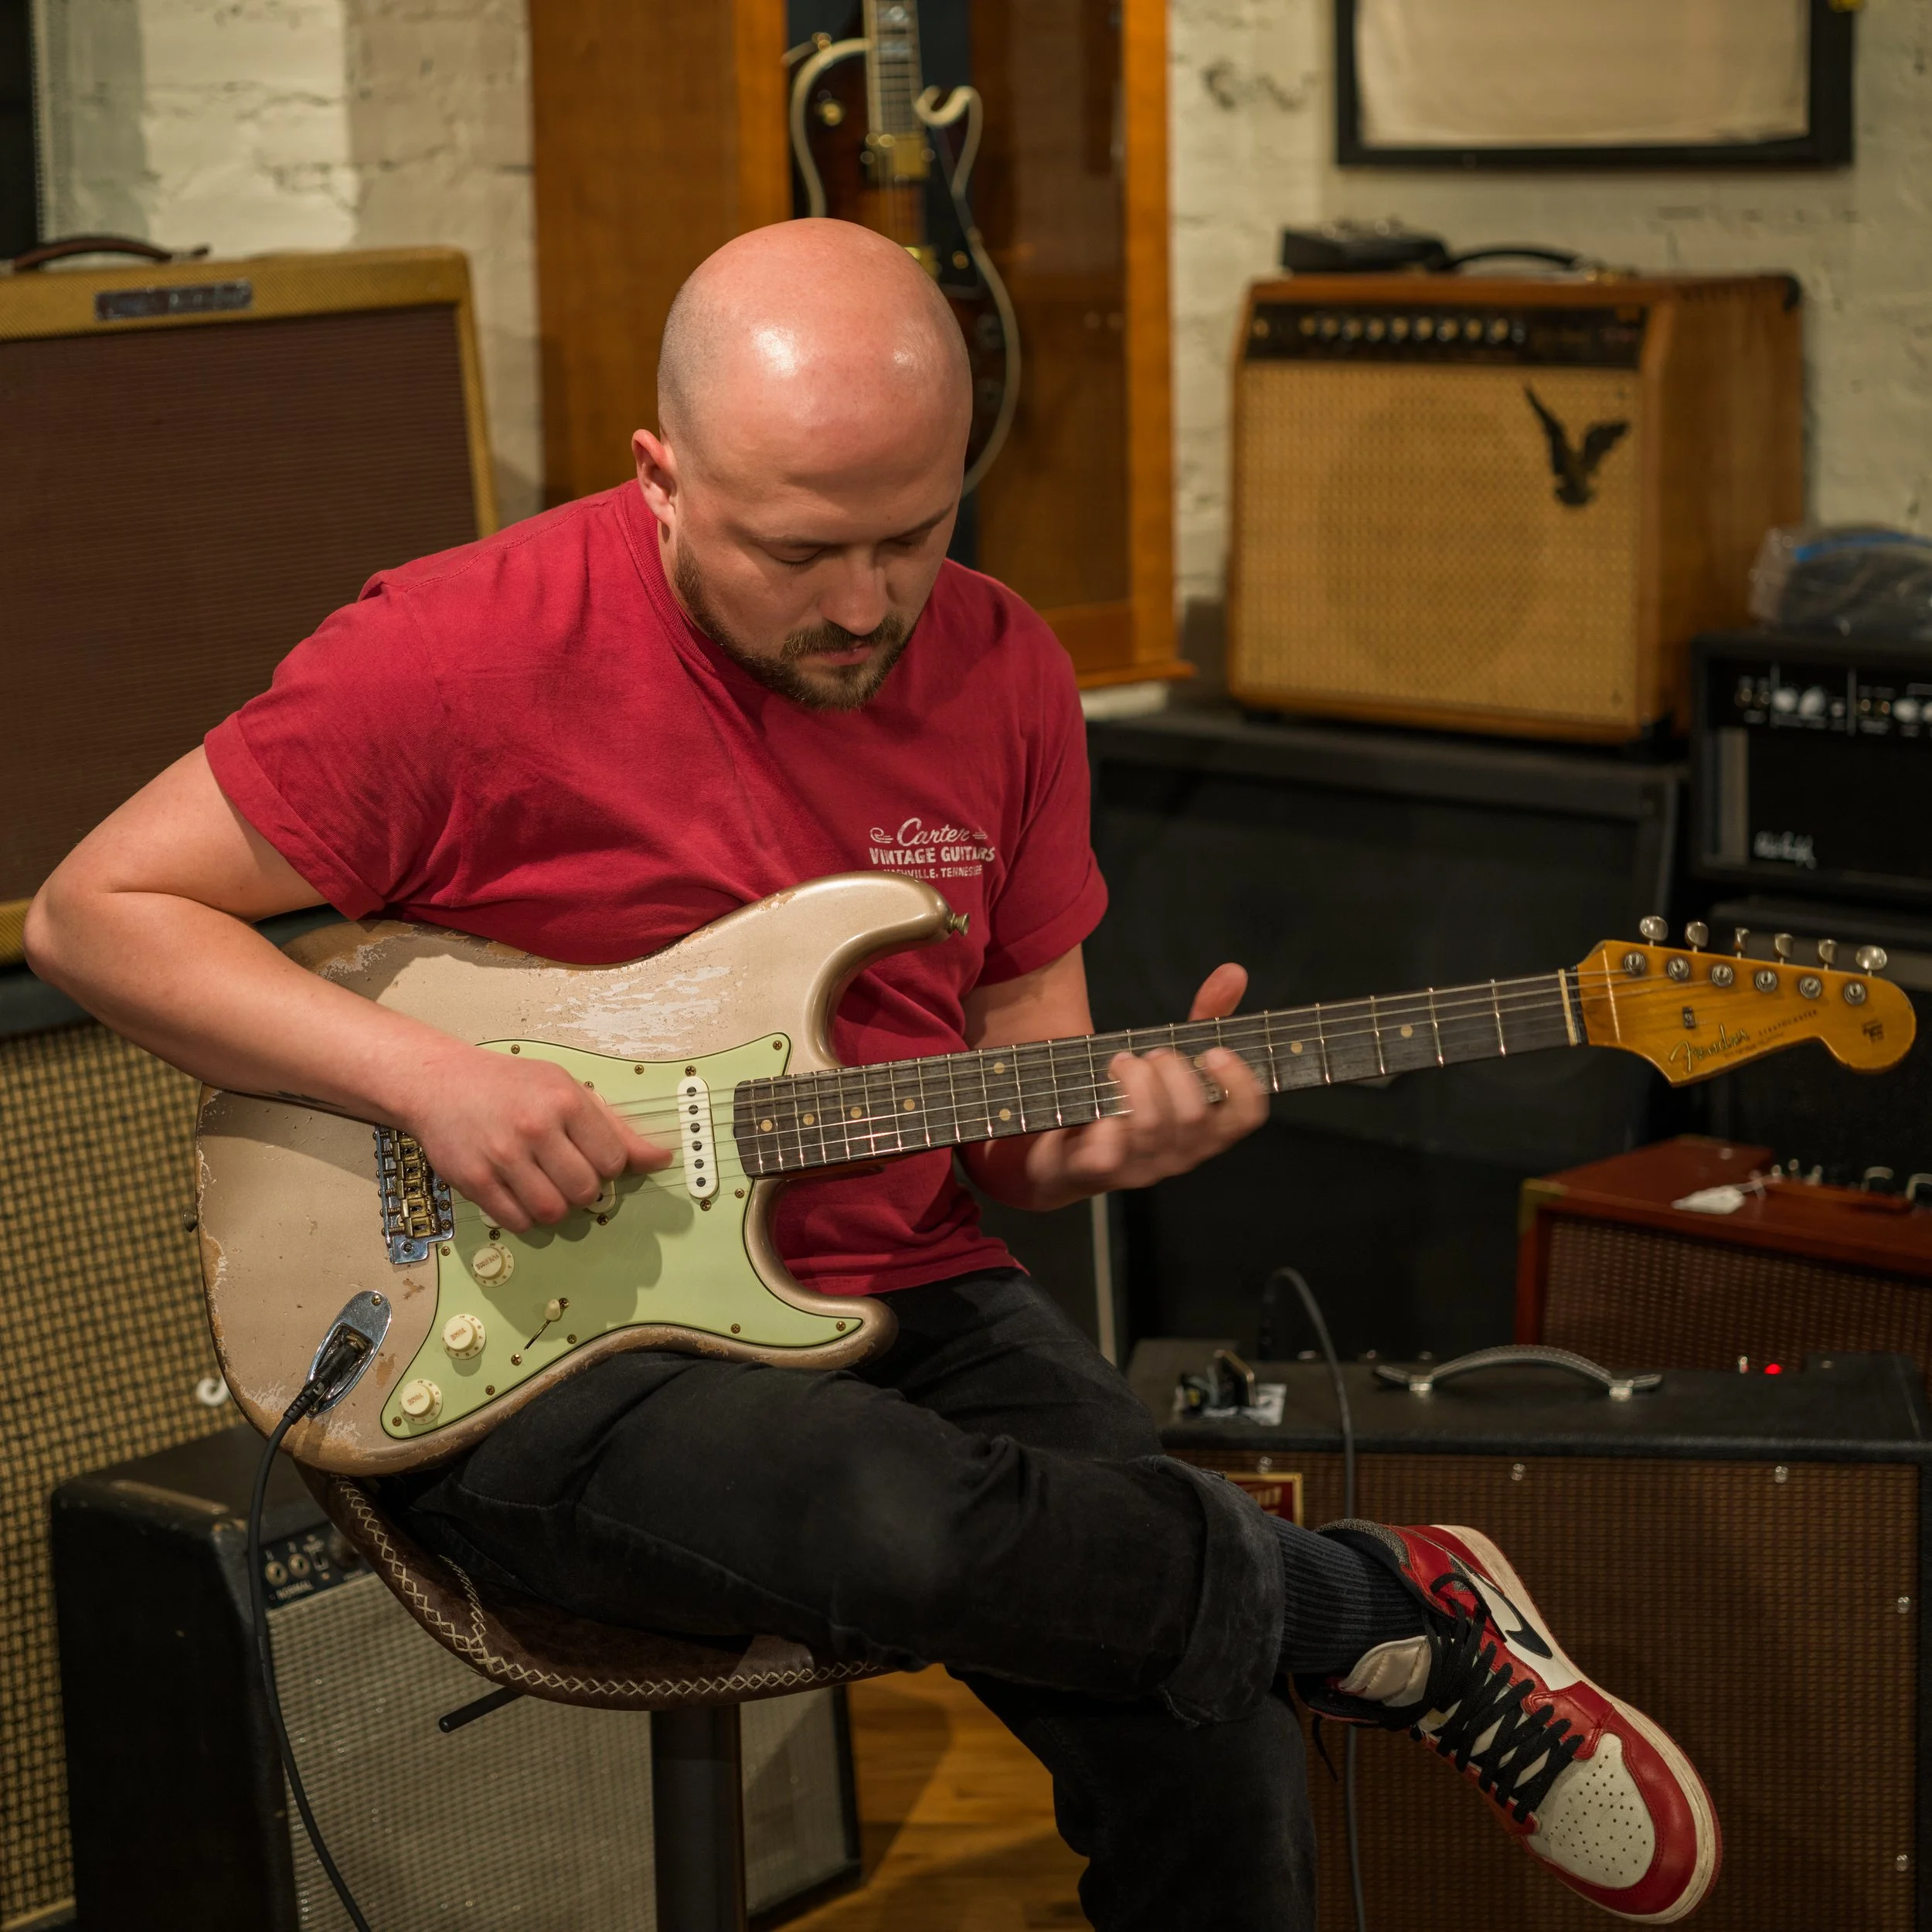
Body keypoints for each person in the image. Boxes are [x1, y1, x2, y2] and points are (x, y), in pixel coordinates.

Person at [25, 220, 1716, 1928]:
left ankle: (1324, 1621)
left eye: (911, 536)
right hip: (525, 1334)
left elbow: (1017, 1094)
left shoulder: (1004, 669)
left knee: (1208, 1721)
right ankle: (1367, 1607)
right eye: (798, 549)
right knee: (894, 1515)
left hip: (901, 1278)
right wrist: (421, 1078)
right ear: (660, 477)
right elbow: (98, 914)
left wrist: (1090, 1145)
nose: (862, 604)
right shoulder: (454, 656)